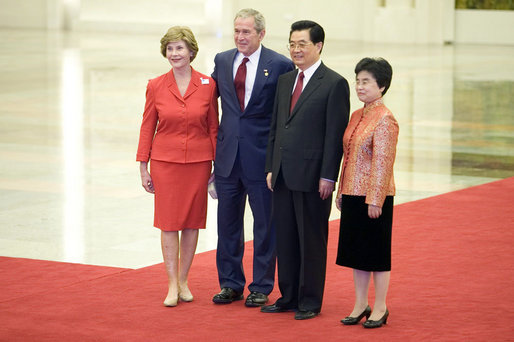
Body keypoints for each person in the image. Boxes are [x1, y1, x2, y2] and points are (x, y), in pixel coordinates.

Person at [261, 20, 350, 320]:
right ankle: (287, 296)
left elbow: (334, 135)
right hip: (283, 174)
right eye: (292, 44)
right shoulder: (286, 80)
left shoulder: (334, 83)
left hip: (314, 178)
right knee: (285, 237)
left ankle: (310, 300)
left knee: (311, 240)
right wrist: (271, 167)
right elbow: (276, 128)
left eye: (303, 44)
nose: (296, 50)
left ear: (319, 46)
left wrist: (329, 175)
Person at [211, 9, 294, 307]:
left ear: (261, 34)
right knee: (228, 224)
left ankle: (261, 285)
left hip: (261, 158)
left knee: (265, 225)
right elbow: (208, 102)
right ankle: (230, 283)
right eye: (237, 31)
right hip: (227, 158)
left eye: (246, 31)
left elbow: (285, 115)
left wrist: (278, 161)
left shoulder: (281, 64)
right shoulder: (222, 60)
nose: (240, 36)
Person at [136, 26, 219, 307]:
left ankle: (184, 280)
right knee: (170, 224)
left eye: (180, 48)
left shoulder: (208, 85)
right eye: (170, 49)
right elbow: (147, 127)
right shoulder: (156, 85)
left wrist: (217, 168)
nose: (175, 54)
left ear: (192, 51)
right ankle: (171, 284)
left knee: (193, 223)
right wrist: (143, 166)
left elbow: (213, 128)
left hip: (198, 162)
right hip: (165, 163)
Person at [335, 57, 398, 328]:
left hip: (374, 198)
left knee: (376, 253)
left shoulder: (385, 119)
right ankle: (360, 303)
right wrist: (341, 190)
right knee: (356, 252)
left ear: (382, 86)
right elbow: (347, 156)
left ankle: (381, 306)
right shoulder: (356, 115)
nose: (359, 87)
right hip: (352, 193)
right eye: (357, 81)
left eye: (366, 82)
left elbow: (383, 162)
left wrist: (376, 199)